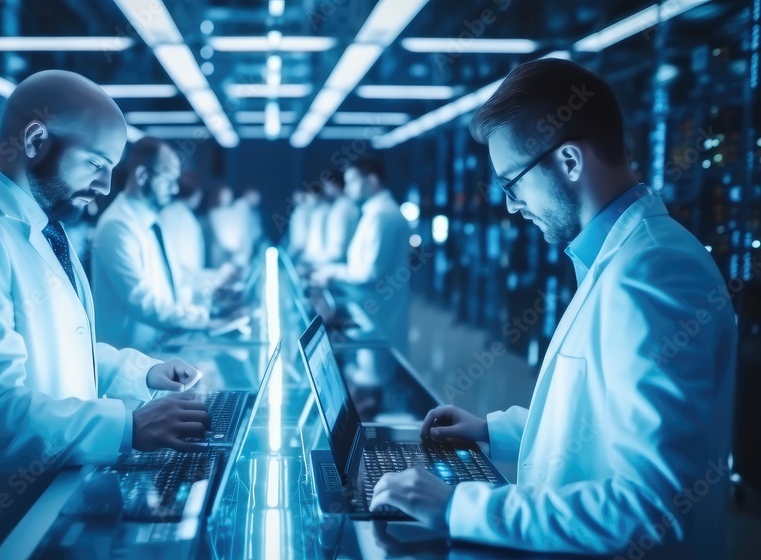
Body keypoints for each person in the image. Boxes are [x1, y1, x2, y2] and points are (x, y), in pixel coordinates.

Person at [369, 59, 737, 559]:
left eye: (512, 183)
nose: (510, 207)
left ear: (568, 161)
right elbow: (603, 419)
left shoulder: (653, 273)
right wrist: (494, 430)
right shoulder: (615, 258)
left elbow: (651, 507)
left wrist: (460, 507)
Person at [0, 71, 210, 560]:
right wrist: (129, 425)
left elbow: (56, 346)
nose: (106, 186)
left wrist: (138, 370)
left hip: (44, 502)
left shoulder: (40, 224)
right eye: (97, 164)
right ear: (36, 139)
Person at [92, 136, 222, 349]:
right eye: (169, 180)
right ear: (142, 175)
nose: (174, 190)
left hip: (156, 352)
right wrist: (204, 320)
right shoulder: (117, 225)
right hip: (129, 359)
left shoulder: (152, 221)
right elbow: (142, 302)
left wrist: (214, 289)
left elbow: (176, 281)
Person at [310, 156, 411, 355]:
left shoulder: (382, 215)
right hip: (374, 314)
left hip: (379, 318)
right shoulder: (375, 213)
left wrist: (333, 272)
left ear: (372, 180)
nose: (347, 189)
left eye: (352, 181)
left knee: (375, 376)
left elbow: (369, 272)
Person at [158, 170, 238, 306]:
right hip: (179, 294)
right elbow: (182, 268)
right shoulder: (179, 218)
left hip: (184, 290)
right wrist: (217, 276)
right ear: (196, 193)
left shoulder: (174, 214)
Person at [305, 169, 359, 265]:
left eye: (327, 185)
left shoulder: (342, 209)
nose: (325, 189)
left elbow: (337, 249)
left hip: (336, 262)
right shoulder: (341, 206)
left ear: (335, 185)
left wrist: (316, 262)